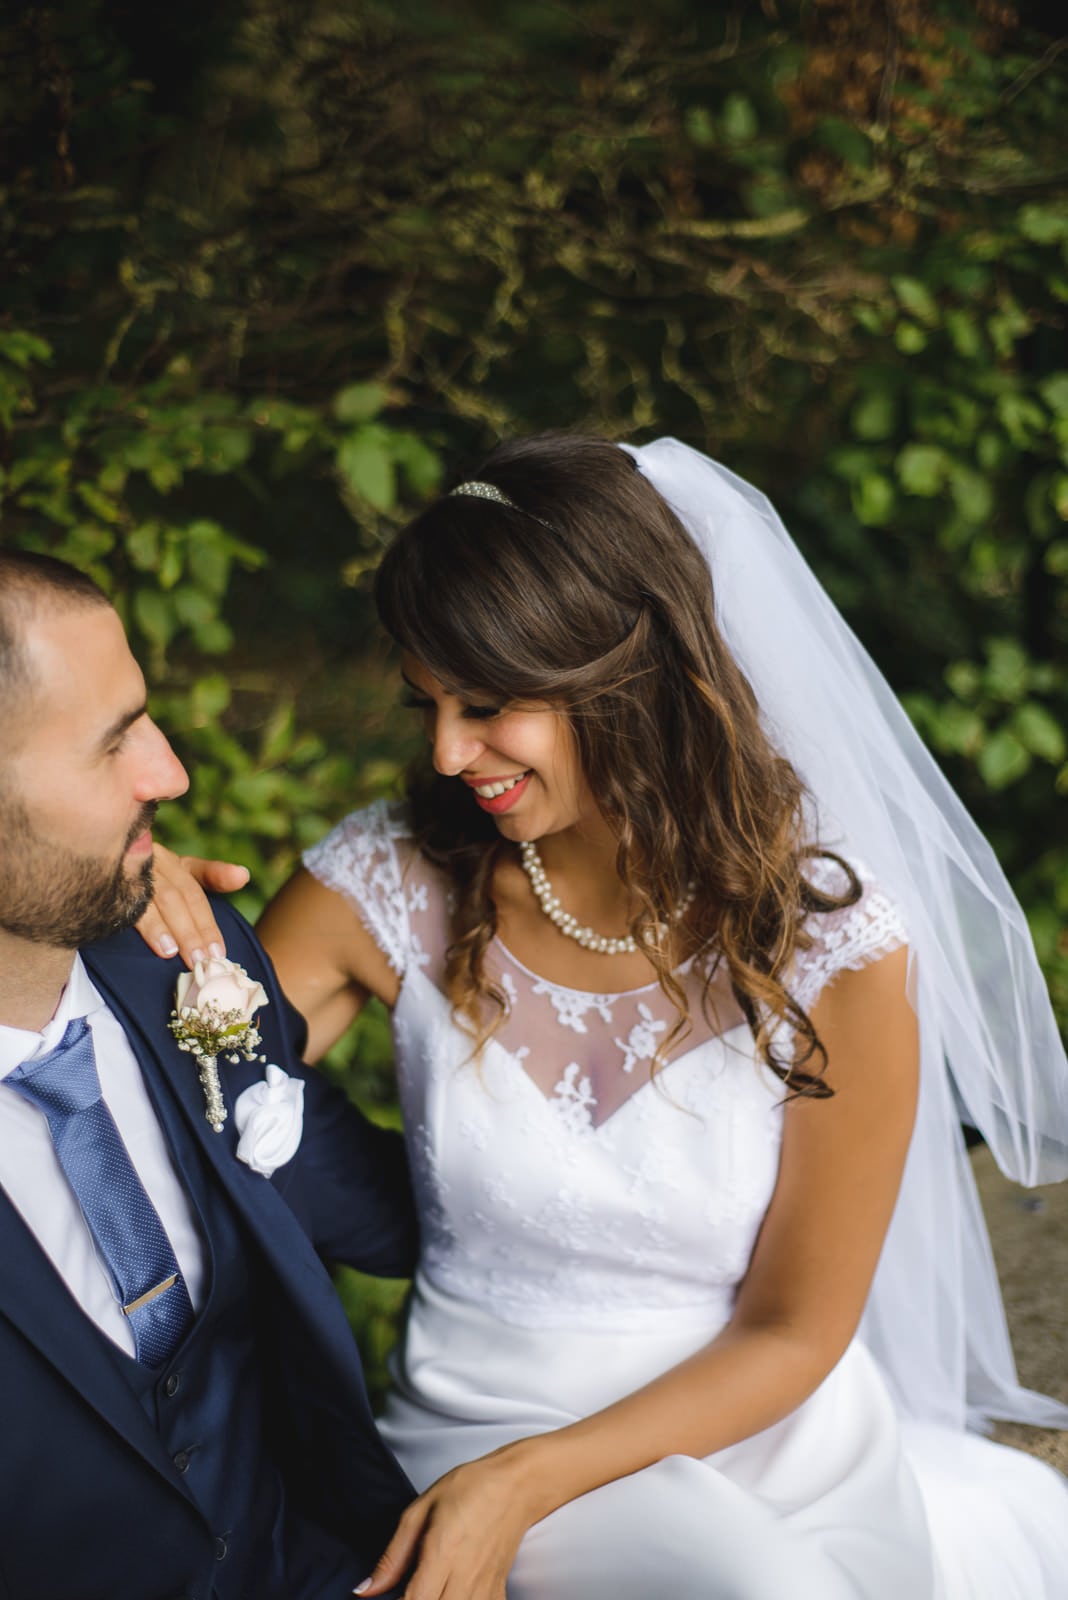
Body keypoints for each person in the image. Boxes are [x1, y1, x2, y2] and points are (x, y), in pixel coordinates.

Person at [142, 435, 1068, 1600]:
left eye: (486, 703)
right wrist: (159, 925)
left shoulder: (837, 949)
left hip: (765, 1432)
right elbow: (185, 1079)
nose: (445, 750)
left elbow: (794, 1328)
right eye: (428, 701)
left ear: (629, 677)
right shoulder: (388, 882)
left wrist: (531, 1483)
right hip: (476, 1415)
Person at [0, 550, 418, 1600]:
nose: (170, 773)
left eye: (144, 716)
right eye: (110, 748)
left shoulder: (184, 962)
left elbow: (389, 1212)